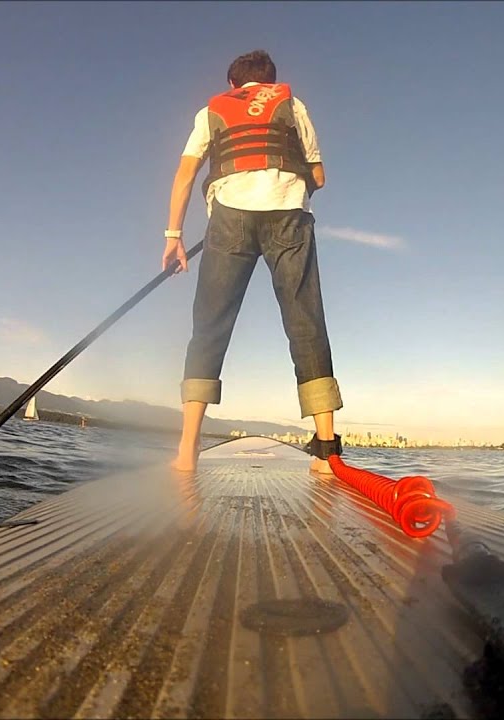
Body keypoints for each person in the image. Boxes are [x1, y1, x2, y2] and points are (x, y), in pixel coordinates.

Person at [162, 49, 343, 474]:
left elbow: (185, 173)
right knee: (305, 321)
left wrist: (174, 236)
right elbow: (318, 176)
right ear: (270, 81)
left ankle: (187, 451)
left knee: (209, 326)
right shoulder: (293, 104)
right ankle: (327, 452)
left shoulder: (211, 111)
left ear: (234, 85)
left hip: (229, 218)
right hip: (289, 217)